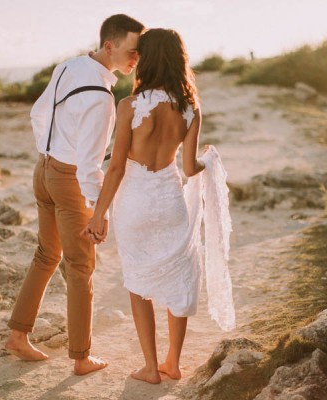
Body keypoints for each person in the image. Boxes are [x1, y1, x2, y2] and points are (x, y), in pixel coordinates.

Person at [83, 28, 235, 384]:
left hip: (134, 202)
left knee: (138, 283)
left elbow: (116, 167)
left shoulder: (129, 106)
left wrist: (98, 214)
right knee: (179, 280)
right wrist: (209, 162)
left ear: (146, 60)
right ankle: (173, 363)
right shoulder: (190, 109)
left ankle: (150, 368)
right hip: (169, 202)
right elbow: (188, 168)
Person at [4, 14, 144, 376]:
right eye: (132, 52)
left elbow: (38, 112)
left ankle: (18, 337)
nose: (136, 60)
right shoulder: (102, 98)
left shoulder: (68, 66)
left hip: (44, 169)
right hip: (68, 180)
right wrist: (101, 213)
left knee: (47, 253)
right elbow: (89, 166)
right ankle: (82, 358)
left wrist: (50, 149)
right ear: (110, 46)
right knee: (81, 267)